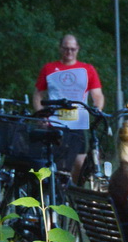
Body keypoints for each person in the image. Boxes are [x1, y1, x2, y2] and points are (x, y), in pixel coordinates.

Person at [32, 34, 105, 180]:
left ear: (77, 49)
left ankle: (72, 194)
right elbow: (37, 95)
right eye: (66, 49)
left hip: (78, 123)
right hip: (55, 123)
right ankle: (57, 193)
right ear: (60, 49)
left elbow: (97, 95)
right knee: (58, 164)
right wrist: (41, 115)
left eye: (72, 49)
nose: (69, 52)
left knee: (80, 163)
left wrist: (97, 110)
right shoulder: (49, 68)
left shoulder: (87, 69)